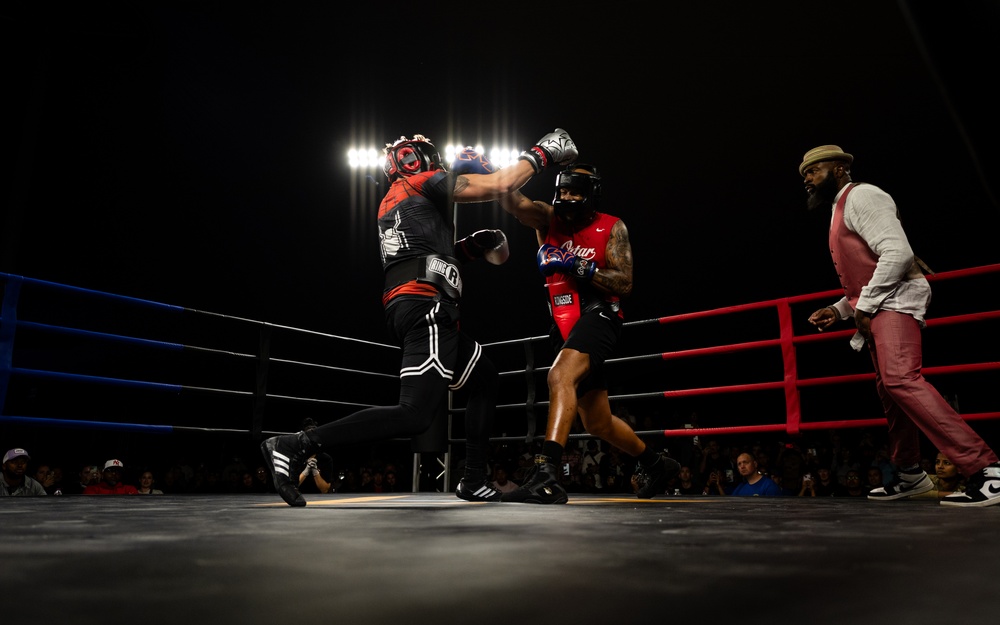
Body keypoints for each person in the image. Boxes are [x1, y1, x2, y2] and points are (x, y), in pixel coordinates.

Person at [261, 128, 580, 507]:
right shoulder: (422, 181)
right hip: (427, 307)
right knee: (415, 414)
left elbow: (420, 256)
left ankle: (474, 479)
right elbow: (499, 184)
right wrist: (543, 153)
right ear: (419, 161)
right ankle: (296, 444)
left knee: (484, 379)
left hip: (418, 304)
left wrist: (470, 249)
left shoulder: (395, 200)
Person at [801, 145, 1000, 508]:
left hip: (894, 301)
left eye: (814, 170)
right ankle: (910, 474)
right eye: (805, 175)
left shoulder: (863, 195)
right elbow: (869, 272)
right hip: (879, 304)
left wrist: (866, 304)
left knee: (900, 379)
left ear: (841, 168)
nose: (808, 179)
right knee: (890, 390)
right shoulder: (838, 208)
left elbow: (897, 253)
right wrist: (840, 310)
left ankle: (987, 469)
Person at [497, 162, 680, 504]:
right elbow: (510, 199)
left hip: (600, 315)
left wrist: (576, 265)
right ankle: (656, 464)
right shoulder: (546, 217)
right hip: (562, 320)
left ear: (590, 195)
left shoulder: (612, 226)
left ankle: (546, 473)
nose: (566, 198)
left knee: (558, 376)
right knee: (597, 421)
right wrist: (500, 167)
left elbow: (624, 283)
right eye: (562, 191)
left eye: (574, 192)